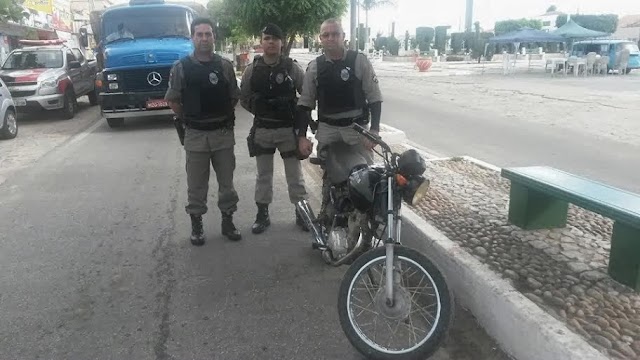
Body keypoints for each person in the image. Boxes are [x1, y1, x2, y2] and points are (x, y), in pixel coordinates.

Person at [165, 17, 242, 246]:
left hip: (222, 133)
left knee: (227, 183)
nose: (204, 38)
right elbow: (173, 99)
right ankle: (196, 224)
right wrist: (189, 119)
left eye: (208, 34)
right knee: (196, 185)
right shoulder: (181, 68)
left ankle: (227, 221)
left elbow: (233, 97)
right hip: (196, 134)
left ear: (213, 37)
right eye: (200, 34)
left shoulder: (225, 66)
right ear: (193, 38)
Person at [240, 23, 309, 234]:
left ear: (281, 43)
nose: (271, 42)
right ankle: (262, 214)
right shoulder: (252, 70)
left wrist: (300, 130)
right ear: (262, 42)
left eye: (275, 39)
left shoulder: (291, 68)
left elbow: (306, 96)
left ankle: (302, 212)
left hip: (287, 129)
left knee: (295, 176)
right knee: (263, 176)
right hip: (263, 129)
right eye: (267, 38)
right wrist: (260, 109)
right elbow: (243, 98)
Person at [295, 18, 383, 164]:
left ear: (343, 36)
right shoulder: (314, 67)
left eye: (335, 34)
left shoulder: (359, 61)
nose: (331, 38)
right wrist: (302, 136)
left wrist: (374, 130)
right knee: (331, 177)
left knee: (364, 177)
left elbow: (374, 97)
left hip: (357, 131)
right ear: (320, 39)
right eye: (326, 35)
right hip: (327, 130)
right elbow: (305, 103)